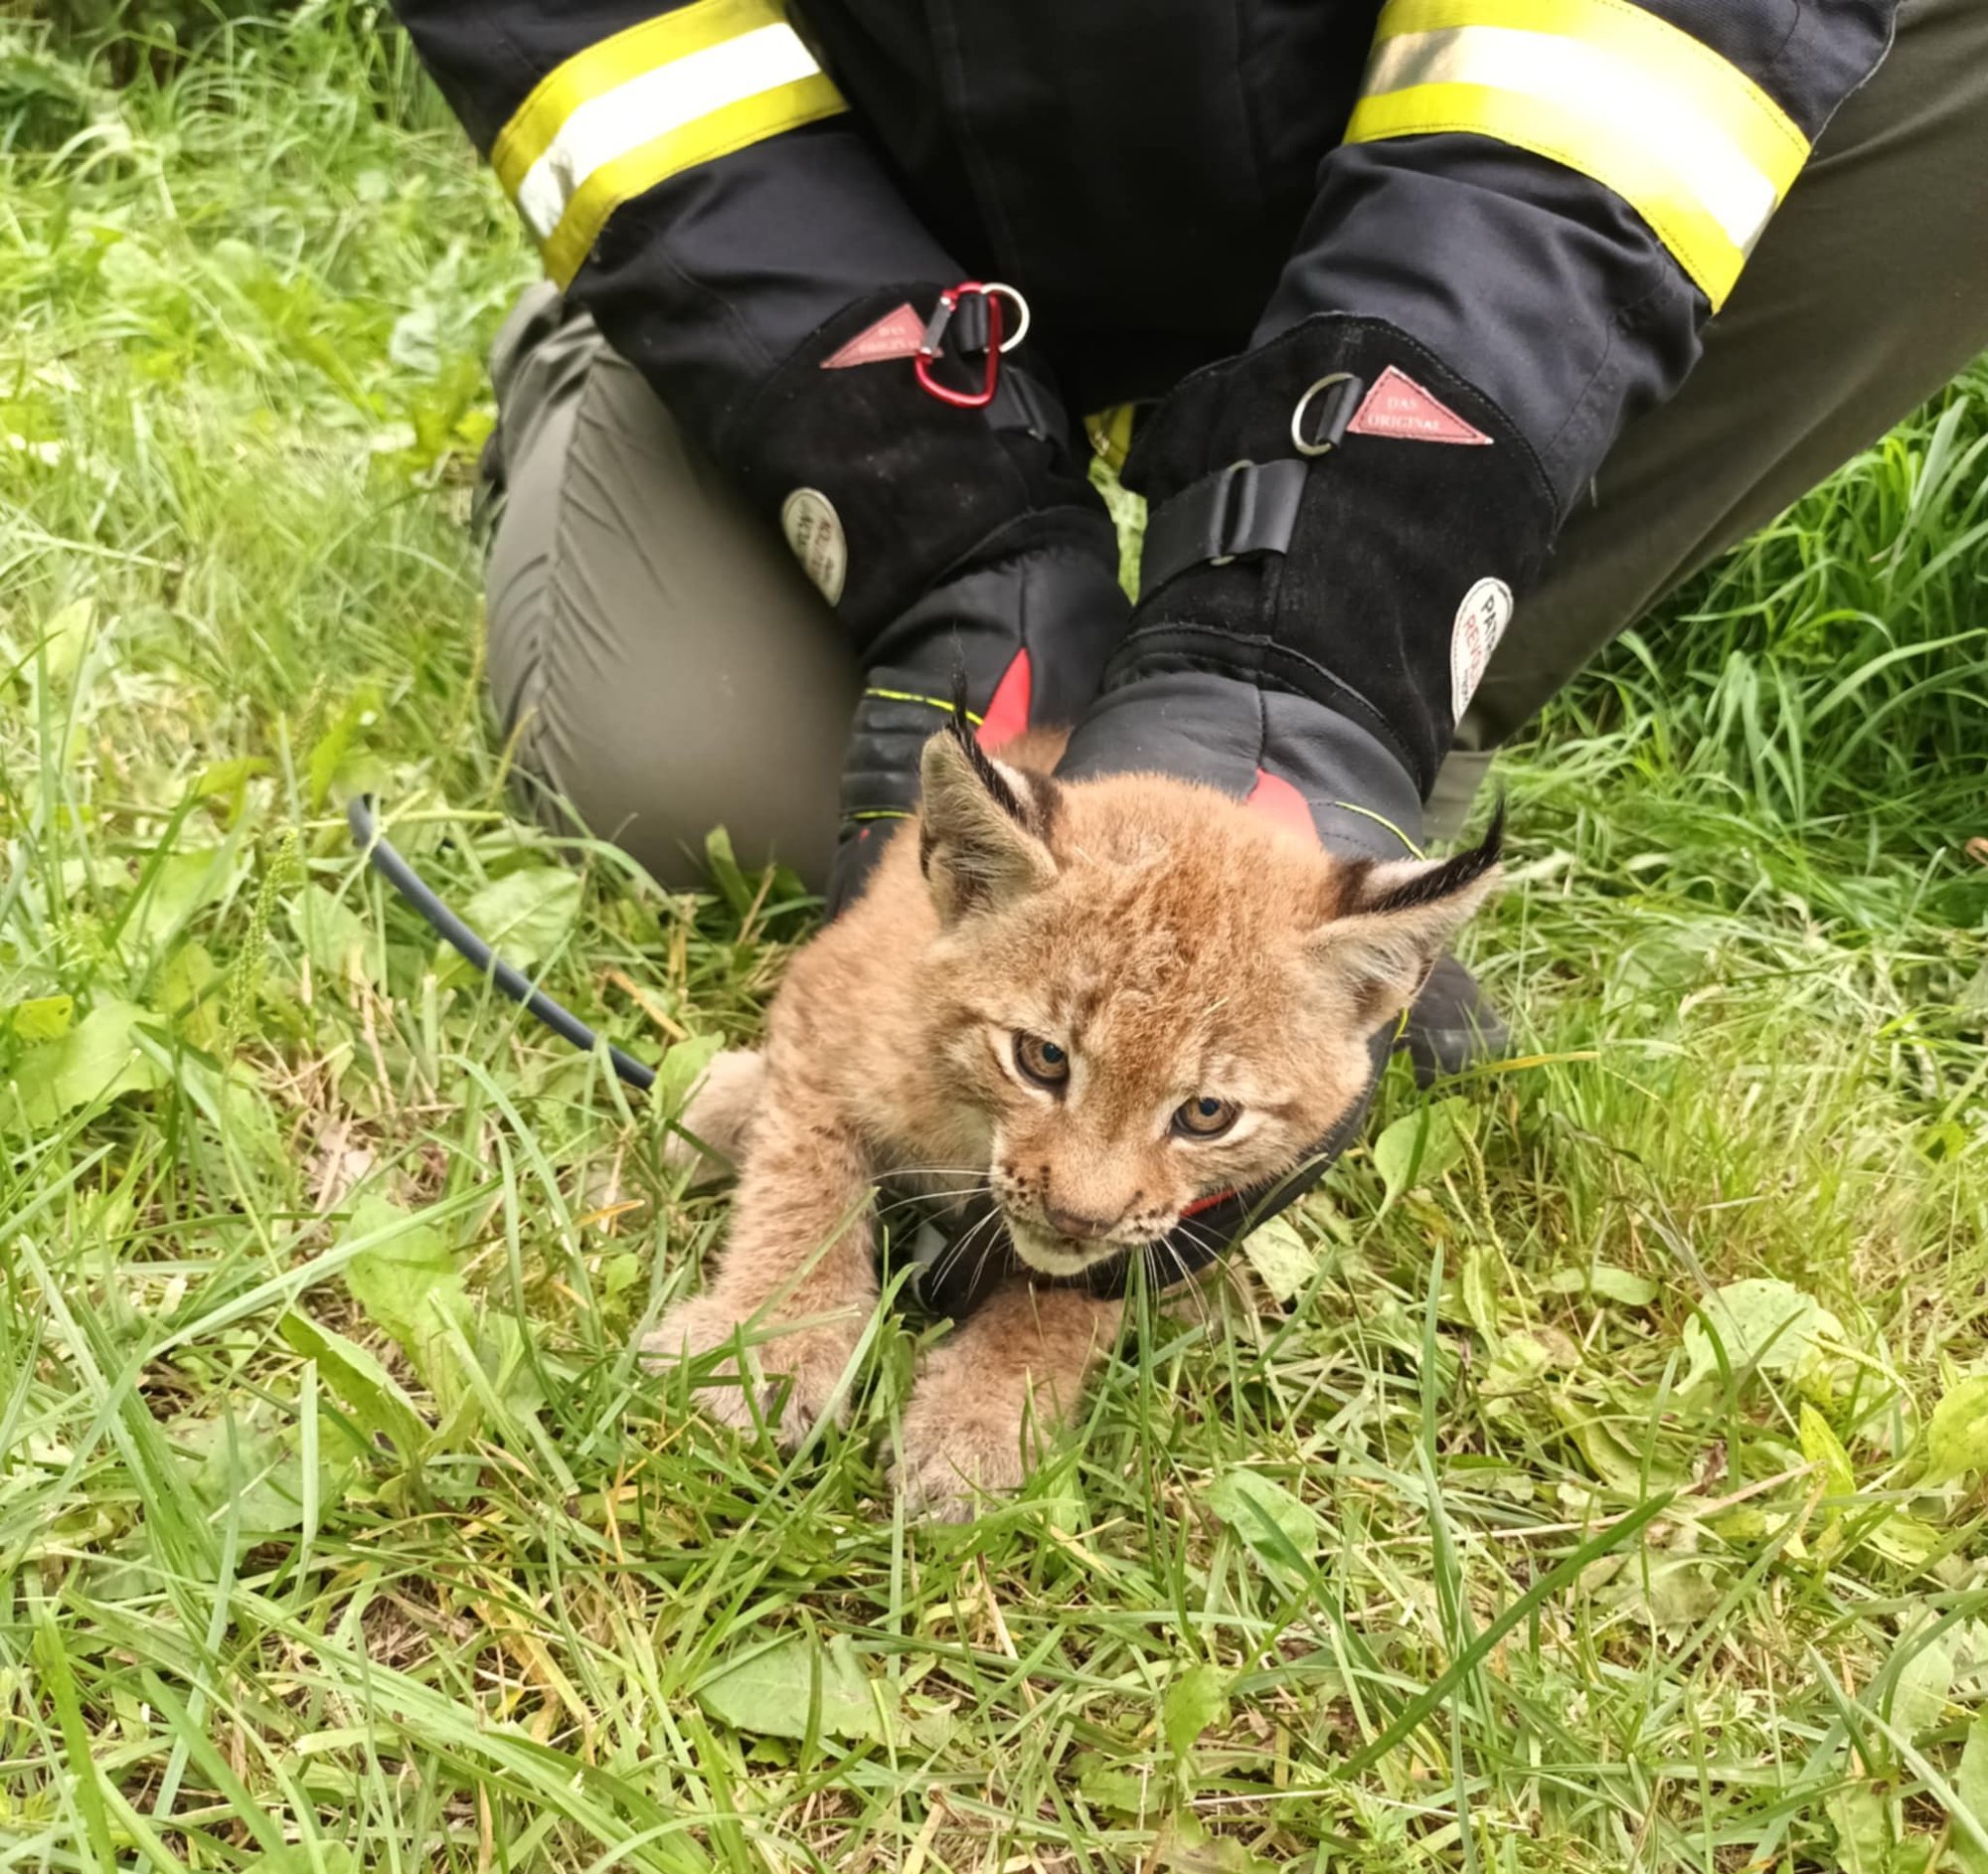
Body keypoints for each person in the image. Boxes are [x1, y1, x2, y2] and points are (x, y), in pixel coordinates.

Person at [391, 0, 1984, 1171]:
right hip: (844, 248)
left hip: (1418, 181)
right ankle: (619, 364)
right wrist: (916, 493)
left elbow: (1621, 64)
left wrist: (1348, 595)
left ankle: (1406, 670)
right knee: (689, 788)